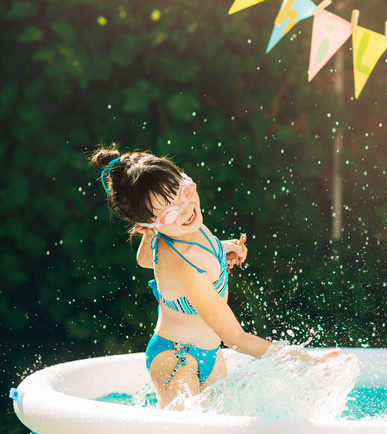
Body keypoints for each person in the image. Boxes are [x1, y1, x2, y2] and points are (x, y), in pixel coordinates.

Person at [91, 146, 347, 409]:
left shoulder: (183, 228)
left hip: (210, 354)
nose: (185, 209)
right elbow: (236, 338)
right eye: (168, 213)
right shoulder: (181, 264)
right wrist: (307, 362)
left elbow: (146, 259)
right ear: (149, 225)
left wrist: (220, 248)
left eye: (183, 191)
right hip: (175, 359)